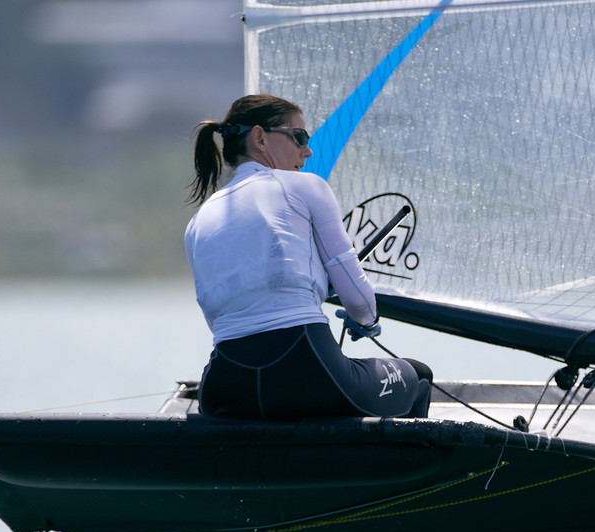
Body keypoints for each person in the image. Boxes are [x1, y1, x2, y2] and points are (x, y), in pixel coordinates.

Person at [184, 94, 431, 419]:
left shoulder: (197, 221)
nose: (308, 150)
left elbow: (229, 315)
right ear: (260, 137)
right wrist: (367, 322)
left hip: (225, 386)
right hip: (308, 372)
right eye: (299, 137)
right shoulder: (306, 187)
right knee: (418, 375)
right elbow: (358, 298)